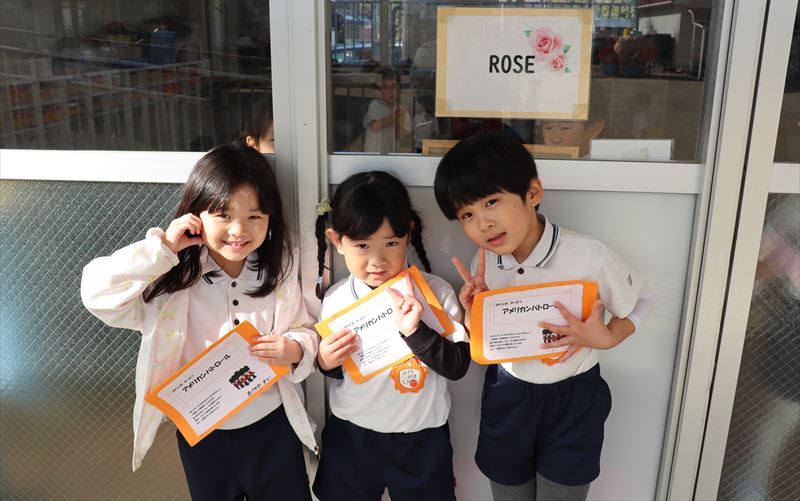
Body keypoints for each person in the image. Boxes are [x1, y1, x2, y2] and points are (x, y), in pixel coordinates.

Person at [81, 145, 318, 501]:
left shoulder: (280, 268)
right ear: (195, 215)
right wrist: (162, 249)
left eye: (255, 216)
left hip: (272, 426)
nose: (239, 230)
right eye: (223, 215)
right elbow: (97, 294)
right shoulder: (174, 278)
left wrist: (295, 349)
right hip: (204, 432)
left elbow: (305, 327)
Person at [433, 131, 654, 501]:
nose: (483, 223)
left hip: (575, 400)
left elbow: (643, 299)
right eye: (467, 214)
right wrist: (473, 315)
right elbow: (485, 344)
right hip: (508, 396)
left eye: (491, 202)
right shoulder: (483, 264)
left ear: (533, 192)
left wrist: (607, 338)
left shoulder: (588, 255)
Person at [312, 171, 470, 501]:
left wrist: (415, 331)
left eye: (391, 243)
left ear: (408, 233)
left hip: (422, 438)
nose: (377, 260)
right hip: (352, 434)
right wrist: (325, 361)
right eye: (362, 245)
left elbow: (457, 366)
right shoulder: (336, 298)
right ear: (336, 240)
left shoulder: (436, 293)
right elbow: (343, 369)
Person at [363, 68, 411, 154]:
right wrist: (395, 115)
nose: (391, 91)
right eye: (386, 88)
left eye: (394, 87)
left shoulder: (402, 109)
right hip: (373, 156)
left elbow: (400, 136)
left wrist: (399, 119)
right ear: (379, 91)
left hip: (392, 156)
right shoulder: (375, 105)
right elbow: (375, 126)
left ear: (399, 90)